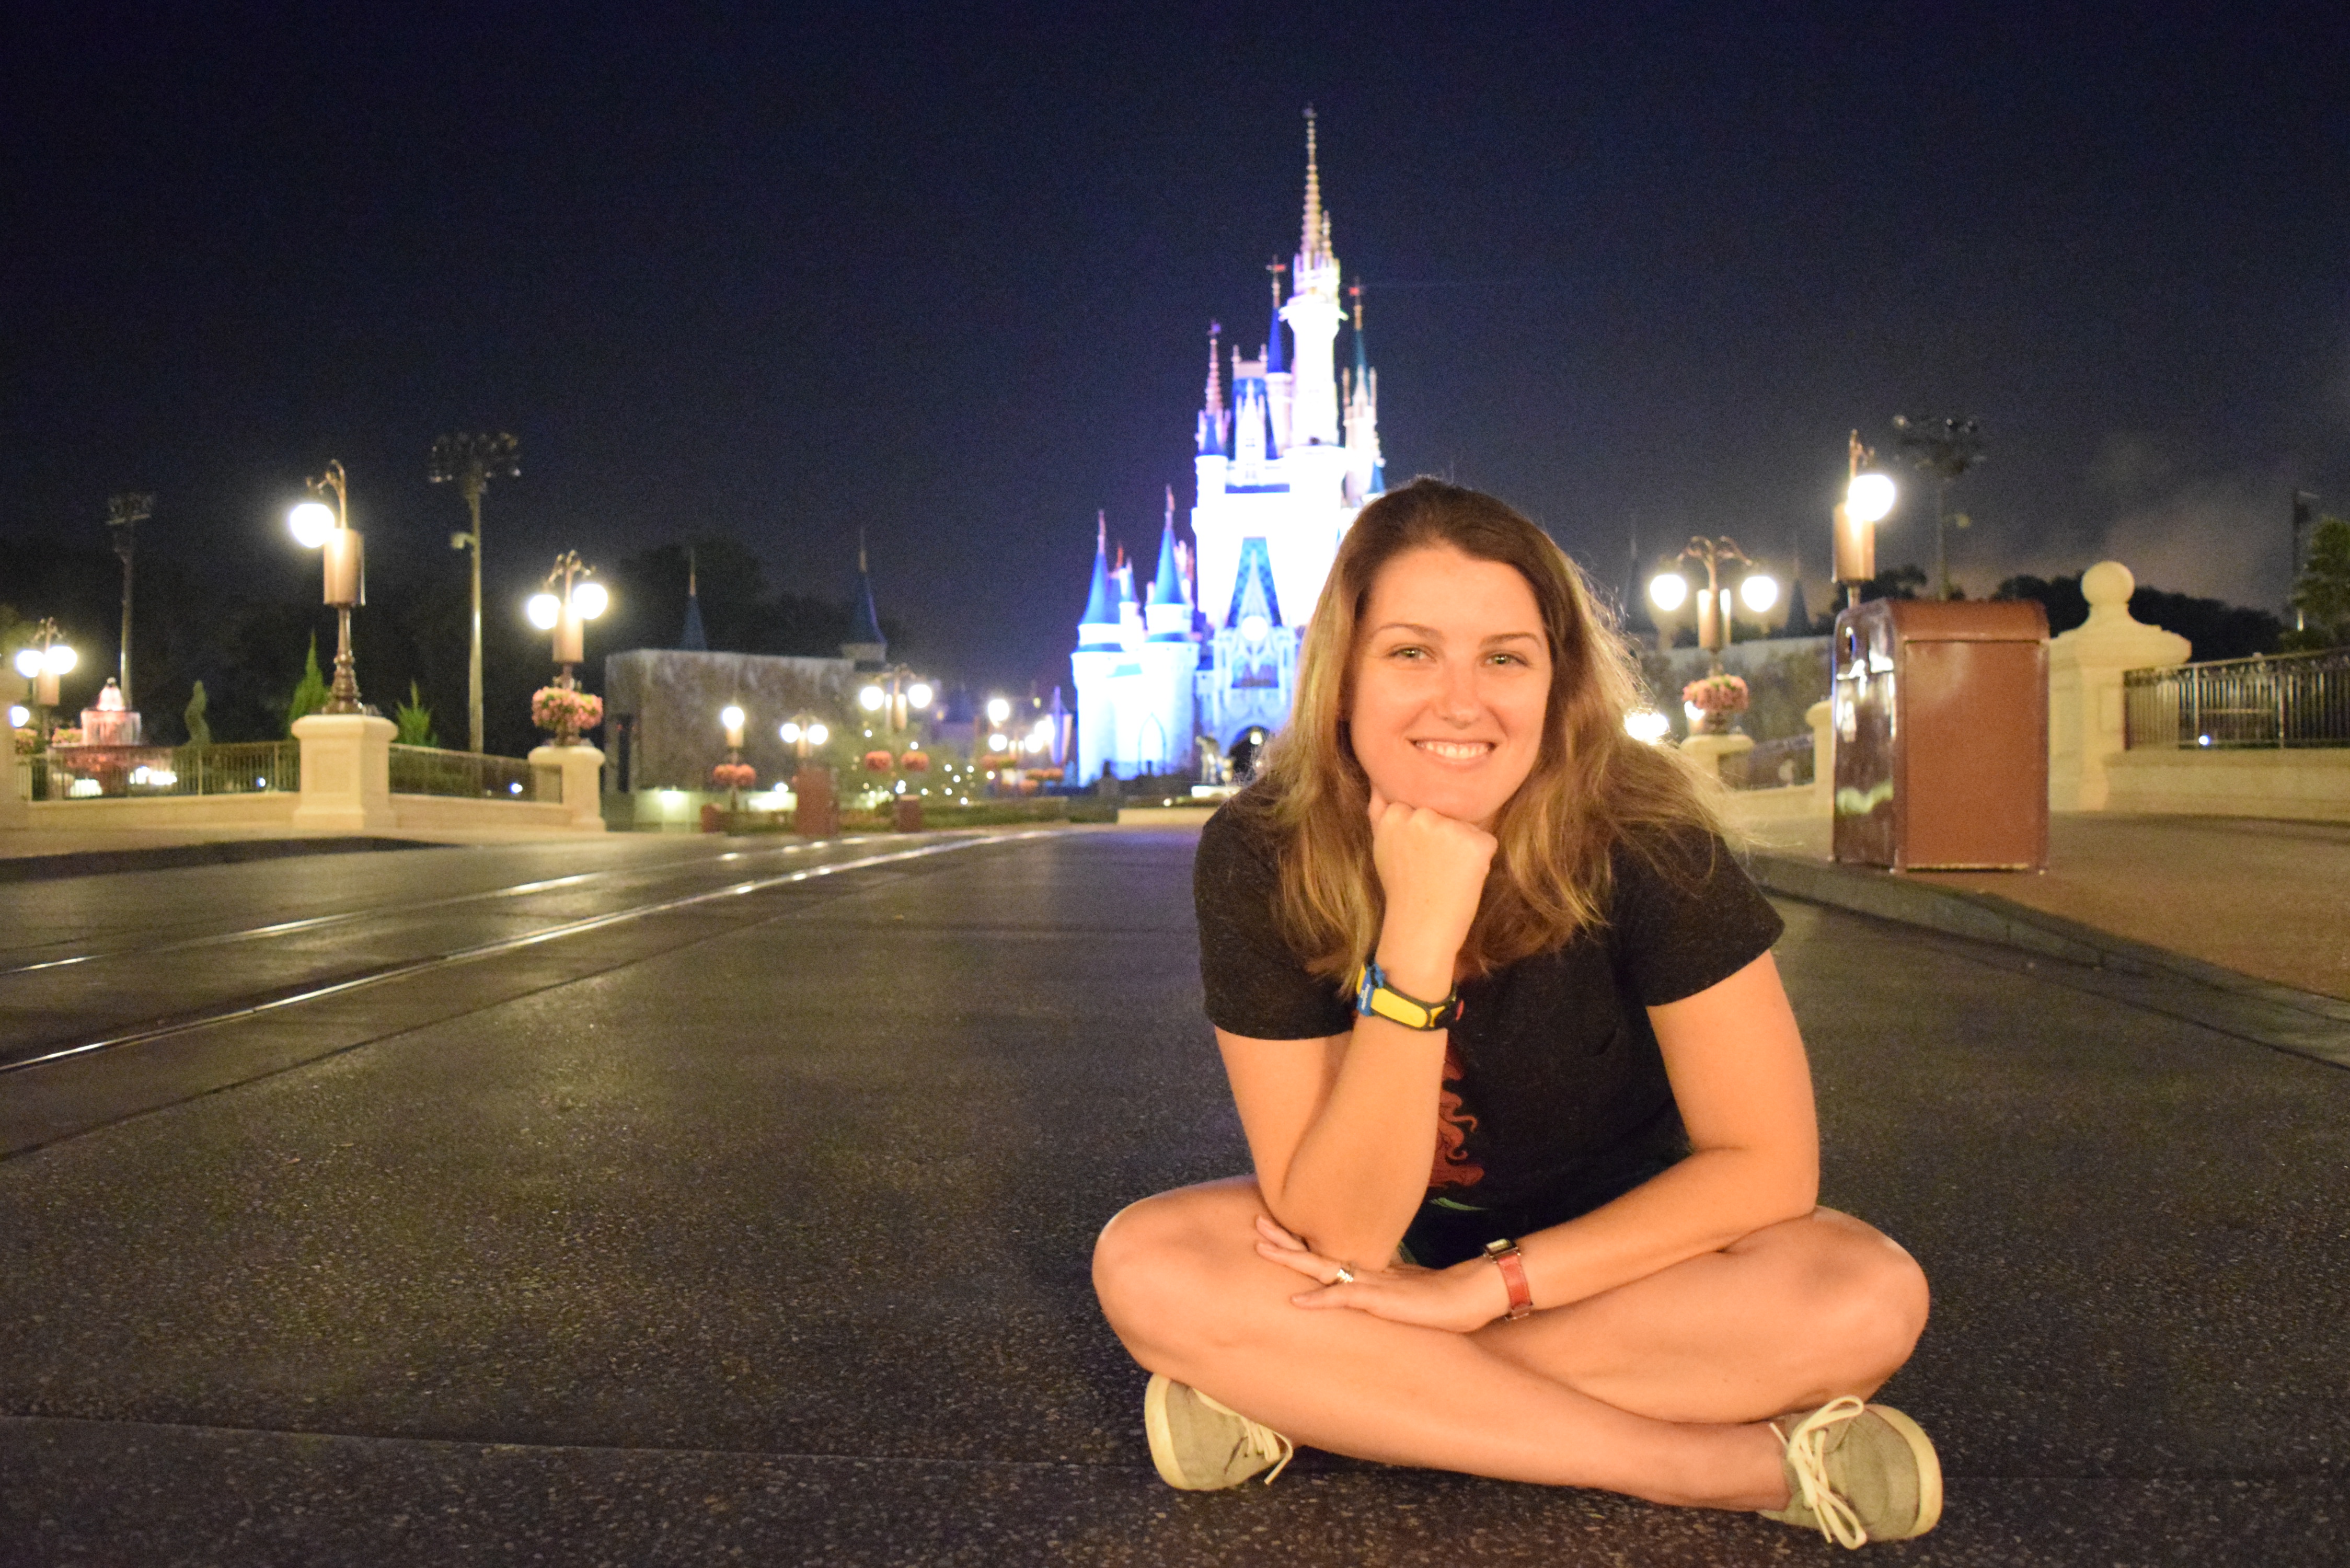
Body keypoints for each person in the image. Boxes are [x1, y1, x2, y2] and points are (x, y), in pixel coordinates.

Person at [1091, 479, 1939, 1548]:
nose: (1461, 702)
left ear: (1556, 682)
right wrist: (1416, 940)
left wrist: (1483, 1295)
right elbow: (1343, 1236)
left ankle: (1319, 1400)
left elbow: (1767, 1167)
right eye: (1410, 652)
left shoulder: (1646, 834)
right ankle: (1716, 1468)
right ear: (1341, 679)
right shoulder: (1265, 850)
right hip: (1377, 1260)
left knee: (1862, 1295)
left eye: (1504, 657)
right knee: (1149, 1264)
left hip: (1626, 1267)